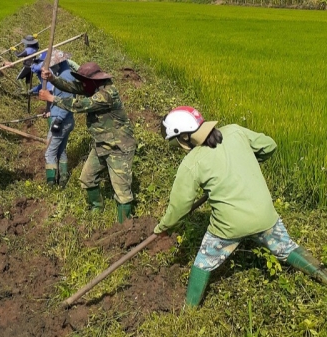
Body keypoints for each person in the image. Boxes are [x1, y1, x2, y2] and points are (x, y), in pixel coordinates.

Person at [154, 106, 327, 307]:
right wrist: (248, 161)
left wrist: (162, 228)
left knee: (204, 262)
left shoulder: (192, 163)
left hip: (229, 226)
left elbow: (179, 207)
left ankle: (188, 312)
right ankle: (322, 274)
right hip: (265, 215)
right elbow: (269, 145)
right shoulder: (235, 131)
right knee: (287, 248)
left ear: (183, 138)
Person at [39, 62, 136, 223]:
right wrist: (53, 79)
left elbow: (81, 105)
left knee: (122, 192)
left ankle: (124, 227)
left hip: (119, 148)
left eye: (84, 81)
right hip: (101, 145)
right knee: (87, 178)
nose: (82, 85)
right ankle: (97, 207)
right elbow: (72, 87)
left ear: (94, 80)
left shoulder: (106, 94)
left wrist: (52, 98)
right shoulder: (93, 87)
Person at [40, 50, 76, 187]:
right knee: (61, 151)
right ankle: (63, 180)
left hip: (62, 121)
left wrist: (58, 120)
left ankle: (51, 184)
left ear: (58, 64)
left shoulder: (66, 77)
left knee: (49, 153)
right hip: (65, 120)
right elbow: (59, 99)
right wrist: (51, 111)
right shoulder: (63, 74)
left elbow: (67, 101)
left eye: (52, 66)